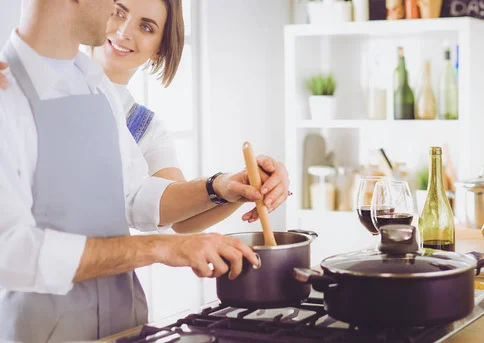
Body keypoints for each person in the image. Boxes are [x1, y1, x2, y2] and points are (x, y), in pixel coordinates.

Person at [0, 0, 289, 341]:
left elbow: (134, 194)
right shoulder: (7, 93)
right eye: (116, 6)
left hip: (124, 324)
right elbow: (10, 251)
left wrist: (225, 186)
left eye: (146, 26)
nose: (116, 16)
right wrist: (159, 249)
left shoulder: (98, 88)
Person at [0, 0, 288, 228]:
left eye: (146, 27)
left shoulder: (142, 126)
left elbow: (168, 210)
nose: (124, 32)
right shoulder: (25, 78)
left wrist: (238, 186)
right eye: (117, 12)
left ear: (159, 50)